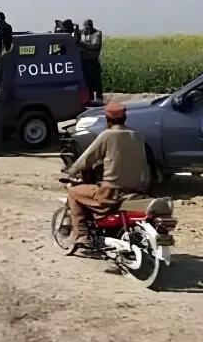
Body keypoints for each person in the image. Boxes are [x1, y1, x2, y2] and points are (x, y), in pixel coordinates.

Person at [64, 102, 151, 247]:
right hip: (136, 190)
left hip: (111, 193)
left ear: (107, 119)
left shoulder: (108, 135)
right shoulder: (136, 135)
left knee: (74, 192)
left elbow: (87, 158)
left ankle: (82, 235)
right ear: (124, 118)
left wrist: (71, 171)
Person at [76, 19, 103, 101]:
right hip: (84, 61)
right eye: (86, 26)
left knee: (96, 81)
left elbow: (94, 46)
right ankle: (89, 99)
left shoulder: (97, 33)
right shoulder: (81, 32)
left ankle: (98, 98)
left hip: (93, 61)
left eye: (89, 26)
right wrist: (76, 31)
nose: (87, 28)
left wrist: (81, 44)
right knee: (86, 82)